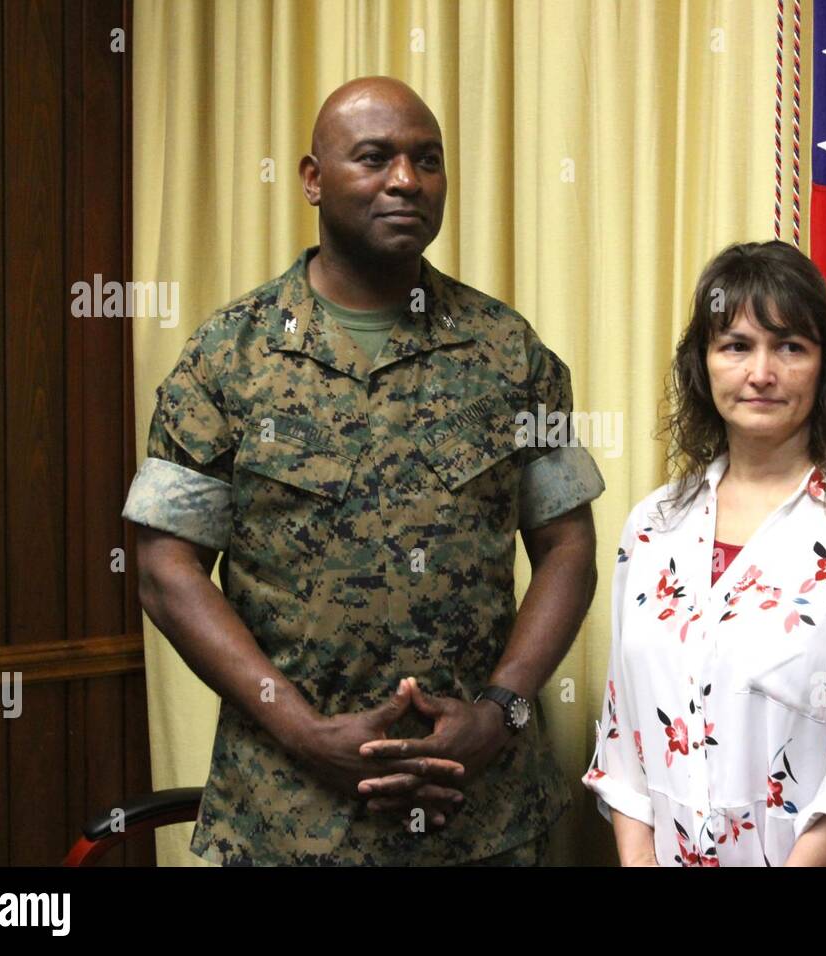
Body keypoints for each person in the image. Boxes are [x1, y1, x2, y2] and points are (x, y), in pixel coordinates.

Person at [123, 76, 604, 866]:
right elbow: (166, 570)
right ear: (312, 179)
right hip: (289, 813)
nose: (406, 181)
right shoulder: (227, 357)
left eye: (428, 160)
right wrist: (304, 732)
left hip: (479, 811)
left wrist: (500, 711)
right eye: (375, 158)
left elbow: (567, 548)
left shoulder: (509, 351)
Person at [583, 240, 826, 866]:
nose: (761, 373)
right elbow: (623, 741)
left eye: (791, 347)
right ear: (703, 364)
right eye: (736, 346)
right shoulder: (653, 524)